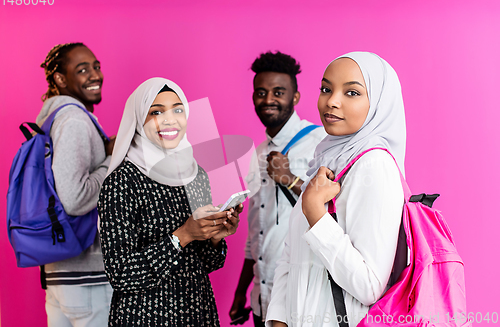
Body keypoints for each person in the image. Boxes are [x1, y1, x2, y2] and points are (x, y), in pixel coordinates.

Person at [266, 52, 406, 327]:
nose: (332, 101)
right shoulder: (326, 160)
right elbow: (291, 255)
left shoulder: (374, 165)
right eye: (326, 89)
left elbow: (369, 285)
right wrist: (279, 321)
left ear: (378, 103)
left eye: (352, 92)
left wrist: (315, 212)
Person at [98, 77, 241, 326]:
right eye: (156, 111)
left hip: (196, 310)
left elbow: (207, 263)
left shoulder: (197, 175)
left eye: (178, 109)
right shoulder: (122, 181)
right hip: (144, 316)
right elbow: (120, 274)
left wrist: (216, 236)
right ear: (139, 119)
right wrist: (181, 236)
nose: (170, 119)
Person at [230, 51, 326, 326]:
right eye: (261, 92)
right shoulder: (257, 153)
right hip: (263, 299)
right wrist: (242, 292)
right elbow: (256, 233)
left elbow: (335, 211)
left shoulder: (320, 141)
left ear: (295, 97)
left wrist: (290, 179)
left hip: (303, 298)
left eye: (278, 92)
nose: (268, 99)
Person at [37, 42, 116, 326]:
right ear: (60, 79)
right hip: (87, 280)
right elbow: (74, 198)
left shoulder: (54, 119)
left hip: (62, 274)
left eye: (96, 66)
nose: (95, 75)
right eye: (82, 70)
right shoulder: (74, 120)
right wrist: (111, 159)